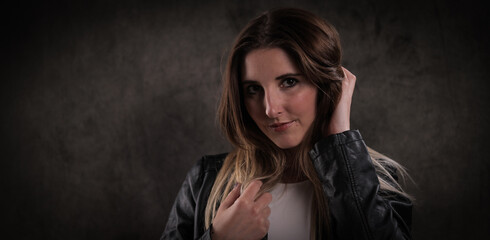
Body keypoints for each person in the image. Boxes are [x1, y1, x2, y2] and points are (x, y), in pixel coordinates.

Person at [161, 7, 412, 240]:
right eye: (253, 89)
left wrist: (340, 143)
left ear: (327, 85)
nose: (270, 109)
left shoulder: (376, 178)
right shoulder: (206, 179)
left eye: (289, 82)